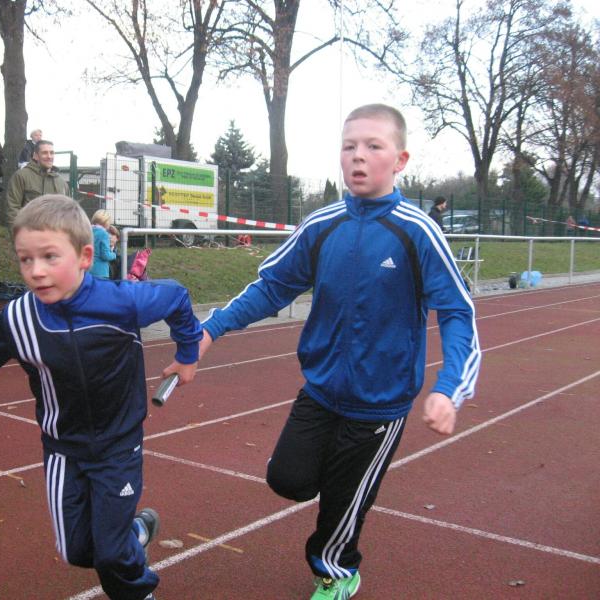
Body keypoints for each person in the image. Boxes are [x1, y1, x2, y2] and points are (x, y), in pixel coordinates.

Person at [199, 104, 481, 600]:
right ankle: (341, 490)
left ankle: (336, 570)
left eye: (373, 146)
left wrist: (449, 388)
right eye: (349, 146)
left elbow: (458, 311)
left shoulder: (417, 231)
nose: (358, 156)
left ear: (400, 160)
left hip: (380, 403)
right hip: (322, 390)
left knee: (343, 506)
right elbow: (272, 287)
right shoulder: (322, 225)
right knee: (288, 479)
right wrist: (210, 330)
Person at [0, 194, 202, 600]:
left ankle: (138, 589)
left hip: (118, 445)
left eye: (49, 257)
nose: (36, 271)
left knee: (111, 555)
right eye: (25, 260)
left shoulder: (121, 302)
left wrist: (187, 353)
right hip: (63, 449)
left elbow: (176, 296)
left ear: (84, 257)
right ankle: (136, 532)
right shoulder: (19, 319)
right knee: (78, 551)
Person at [6, 140, 67, 224]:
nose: (49, 156)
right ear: (35, 156)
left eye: (52, 153)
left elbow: (67, 212)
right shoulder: (21, 176)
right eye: (44, 153)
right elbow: (12, 210)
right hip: (29, 231)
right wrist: (18, 232)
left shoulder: (61, 182)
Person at [89, 209, 117, 278]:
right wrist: (114, 254)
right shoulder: (104, 234)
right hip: (100, 272)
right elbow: (105, 255)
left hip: (88, 270)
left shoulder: (88, 231)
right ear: (106, 222)